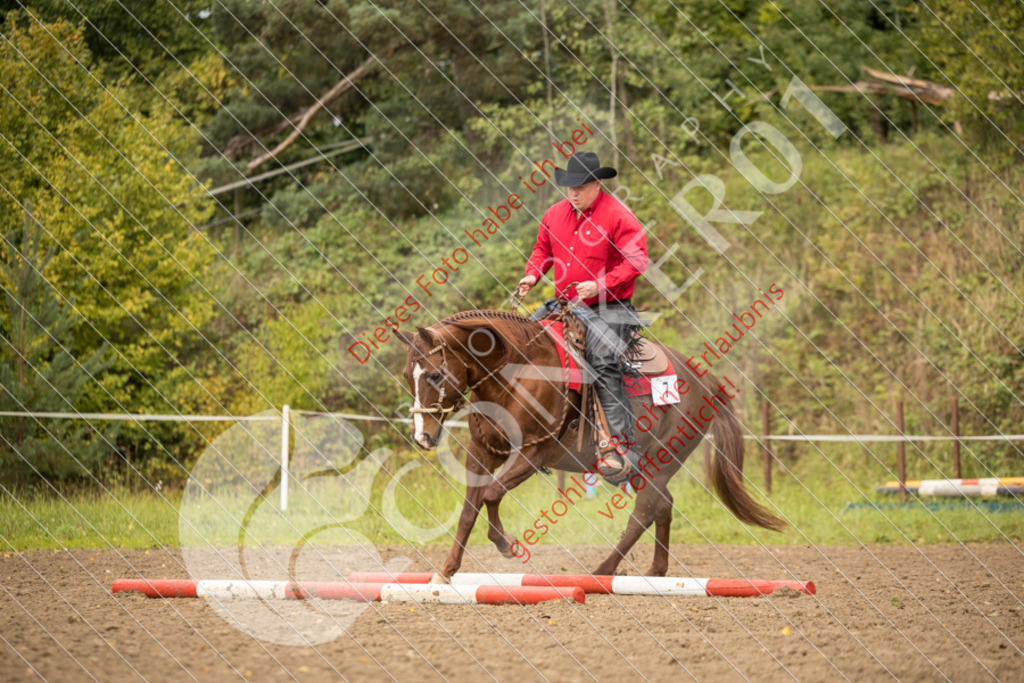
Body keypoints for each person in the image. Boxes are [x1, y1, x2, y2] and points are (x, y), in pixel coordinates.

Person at [517, 151, 649, 482]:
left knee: (603, 362)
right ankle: (534, 433)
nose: (573, 193)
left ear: (596, 185)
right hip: (566, 304)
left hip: (610, 307)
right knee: (524, 345)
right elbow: (542, 249)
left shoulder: (618, 215)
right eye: (570, 187)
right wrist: (532, 274)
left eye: (580, 187)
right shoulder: (554, 214)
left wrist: (600, 285)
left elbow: (637, 261)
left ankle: (618, 447)